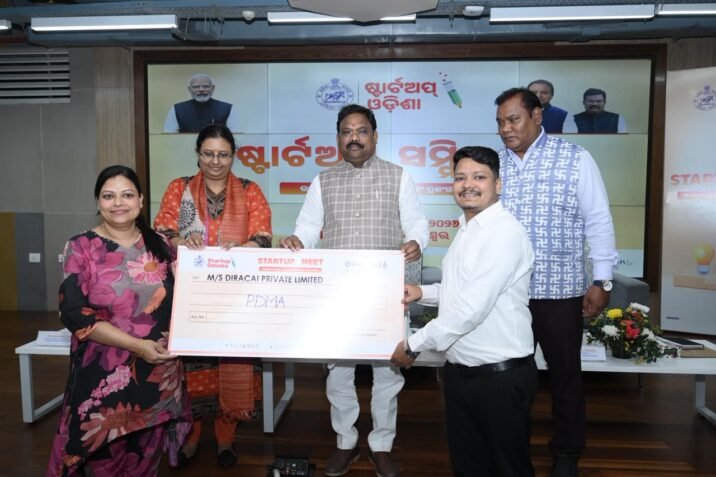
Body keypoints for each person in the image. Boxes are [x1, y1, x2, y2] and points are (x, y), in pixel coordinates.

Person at [280, 104, 429, 477]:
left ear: (375, 136)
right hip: (338, 296)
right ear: (338, 138)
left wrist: (416, 241)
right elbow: (308, 227)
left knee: (388, 373)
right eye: (347, 131)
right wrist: (298, 241)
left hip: (386, 295)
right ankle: (345, 442)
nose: (354, 138)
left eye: (362, 131)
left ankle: (381, 446)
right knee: (339, 374)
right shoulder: (323, 180)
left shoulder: (399, 177)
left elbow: (416, 222)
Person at [391, 146, 538, 477]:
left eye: (479, 177)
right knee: (469, 466)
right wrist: (422, 292)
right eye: (460, 177)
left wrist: (413, 345)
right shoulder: (467, 229)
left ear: (497, 184)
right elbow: (461, 292)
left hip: (500, 379)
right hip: (461, 374)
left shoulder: (504, 233)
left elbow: (471, 308)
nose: (468, 184)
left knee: (509, 469)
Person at [495, 87, 618, 477]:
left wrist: (602, 280)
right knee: (509, 379)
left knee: (565, 377)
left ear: (537, 116)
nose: (505, 129)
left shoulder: (575, 158)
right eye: (500, 122)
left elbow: (598, 219)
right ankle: (511, 449)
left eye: (513, 119)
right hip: (506, 295)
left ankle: (567, 452)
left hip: (560, 292)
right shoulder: (493, 165)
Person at [46, 165, 191, 477]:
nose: (118, 203)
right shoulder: (80, 247)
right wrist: (138, 346)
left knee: (145, 460)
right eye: (108, 196)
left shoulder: (161, 243)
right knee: (103, 461)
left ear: (140, 200)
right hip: (103, 377)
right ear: (98, 202)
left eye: (127, 195)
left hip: (157, 373)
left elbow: (185, 296)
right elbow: (74, 313)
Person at [154, 124, 272, 468]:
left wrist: (242, 247)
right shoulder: (179, 188)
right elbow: (162, 234)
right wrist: (182, 241)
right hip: (190, 297)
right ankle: (190, 437)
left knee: (232, 362)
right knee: (192, 367)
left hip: (237, 296)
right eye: (208, 154)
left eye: (223, 154)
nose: (215, 161)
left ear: (233, 156)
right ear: (197, 154)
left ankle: (226, 440)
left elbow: (263, 237)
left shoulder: (250, 190)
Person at [163, 73, 239, 133]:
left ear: (213, 88)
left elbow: (235, 136)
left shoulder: (228, 109)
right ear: (189, 89)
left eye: (206, 86)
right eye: (196, 87)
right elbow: (169, 137)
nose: (201, 89)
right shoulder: (176, 109)